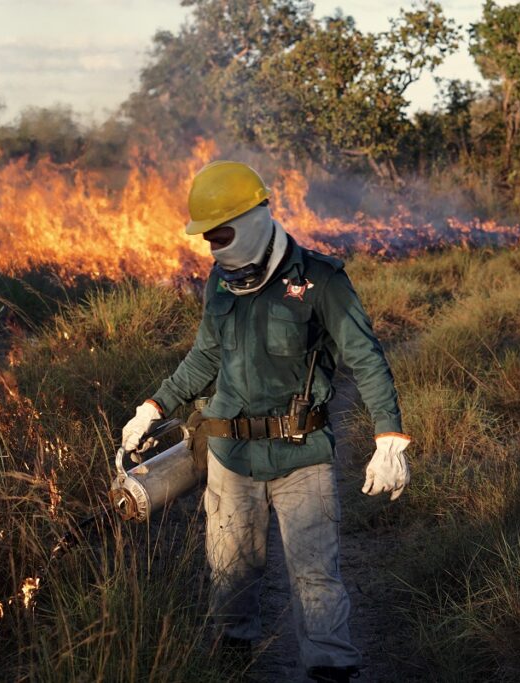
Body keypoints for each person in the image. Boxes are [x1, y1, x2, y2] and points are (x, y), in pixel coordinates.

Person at [121, 160, 411, 683]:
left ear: (254, 218)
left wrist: (389, 438)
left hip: (304, 457)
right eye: (207, 237)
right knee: (231, 579)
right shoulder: (219, 283)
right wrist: (155, 406)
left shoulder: (320, 280)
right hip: (230, 458)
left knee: (316, 579)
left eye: (222, 233)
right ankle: (234, 667)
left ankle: (330, 671)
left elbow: (365, 358)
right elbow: (205, 357)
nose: (214, 247)